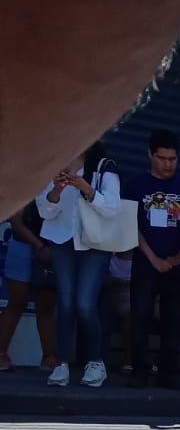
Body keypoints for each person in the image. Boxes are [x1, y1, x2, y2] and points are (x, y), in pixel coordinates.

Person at [36, 141, 121, 387]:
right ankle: (61, 364)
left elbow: (113, 208)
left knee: (85, 304)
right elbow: (44, 211)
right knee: (65, 304)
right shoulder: (54, 165)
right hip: (62, 240)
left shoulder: (104, 167)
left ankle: (95, 363)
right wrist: (57, 189)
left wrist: (86, 188)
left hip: (94, 243)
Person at [124, 130, 180, 388]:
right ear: (150, 154)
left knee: (174, 321)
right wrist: (153, 258)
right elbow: (130, 225)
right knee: (140, 318)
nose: (167, 164)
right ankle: (139, 371)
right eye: (162, 158)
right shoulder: (135, 185)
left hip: (178, 265)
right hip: (145, 263)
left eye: (172, 159)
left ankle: (167, 373)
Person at [0, 203, 58, 373]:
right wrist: (39, 246)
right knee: (17, 302)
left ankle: (49, 357)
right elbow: (16, 223)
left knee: (46, 306)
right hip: (23, 246)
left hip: (53, 248)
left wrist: (47, 248)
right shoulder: (24, 187)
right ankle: (1, 354)